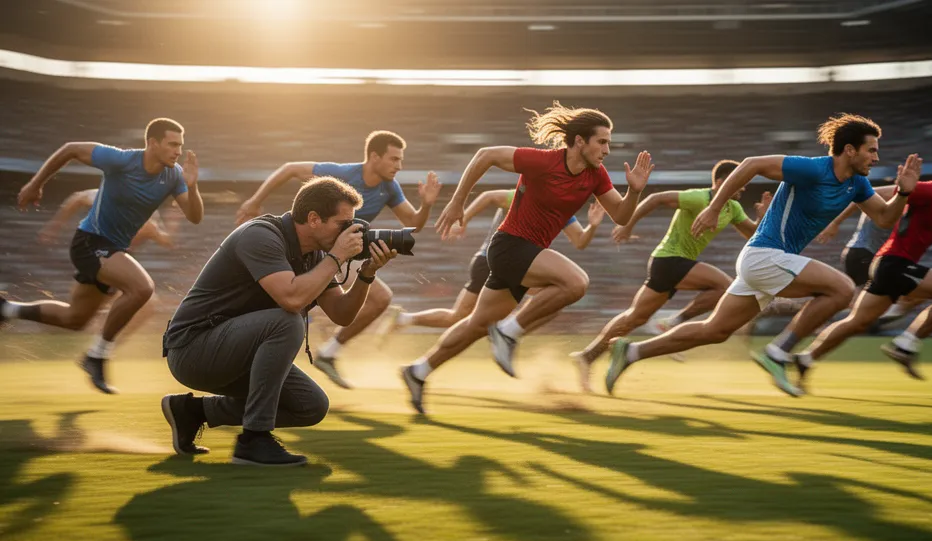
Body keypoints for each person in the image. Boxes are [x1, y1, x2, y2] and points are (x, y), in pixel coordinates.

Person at [603, 113, 921, 397]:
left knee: (714, 330)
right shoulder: (811, 169)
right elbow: (752, 164)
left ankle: (629, 352)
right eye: (871, 150)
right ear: (849, 150)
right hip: (764, 256)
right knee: (840, 289)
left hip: (770, 263)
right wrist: (714, 208)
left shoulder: (858, 184)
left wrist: (903, 193)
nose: (876, 157)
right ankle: (778, 352)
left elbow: (883, 218)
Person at [400, 101, 654, 414]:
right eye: (602, 142)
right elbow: (486, 155)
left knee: (475, 325)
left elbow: (620, 215)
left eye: (608, 143)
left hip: (527, 254)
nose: (607, 150)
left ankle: (418, 371)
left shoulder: (596, 176)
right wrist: (457, 203)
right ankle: (508, 332)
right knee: (576, 283)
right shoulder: (543, 161)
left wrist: (635, 192)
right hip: (509, 246)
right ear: (579, 141)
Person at [160, 176, 397, 466]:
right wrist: (336, 257)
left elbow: (342, 314)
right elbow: (292, 300)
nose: (350, 232)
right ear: (313, 219)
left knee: (311, 406)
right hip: (193, 350)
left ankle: (193, 412)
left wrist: (367, 274)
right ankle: (253, 440)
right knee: (288, 320)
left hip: (236, 354)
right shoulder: (261, 236)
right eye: (342, 224)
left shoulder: (316, 256)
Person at [2, 118, 203, 393]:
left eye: (180, 145)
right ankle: (97, 355)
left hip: (112, 252)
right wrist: (36, 184)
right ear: (152, 143)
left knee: (75, 319)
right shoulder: (120, 160)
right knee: (142, 288)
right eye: (172, 144)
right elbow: (70, 148)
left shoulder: (174, 175)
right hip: (89, 242)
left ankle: (7, 309)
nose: (178, 151)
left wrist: (192, 186)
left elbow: (194, 217)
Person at [235, 130, 441, 389]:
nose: (399, 166)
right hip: (319, 247)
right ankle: (317, 349)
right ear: (374, 156)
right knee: (369, 298)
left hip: (347, 250)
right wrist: (255, 201)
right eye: (394, 159)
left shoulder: (389, 187)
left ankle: (328, 349)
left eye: (401, 160)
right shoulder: (340, 174)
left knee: (379, 299)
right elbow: (289, 168)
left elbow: (413, 224)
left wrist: (427, 205)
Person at [795, 150, 932, 381]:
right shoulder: (926, 190)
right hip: (893, 263)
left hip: (890, 267)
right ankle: (905, 345)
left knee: (857, 322)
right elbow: (867, 194)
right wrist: (835, 222)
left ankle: (805, 358)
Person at [569, 160, 770, 391]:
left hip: (673, 264)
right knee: (724, 287)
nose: (743, 188)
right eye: (740, 182)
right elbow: (656, 199)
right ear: (722, 182)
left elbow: (751, 234)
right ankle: (673, 322)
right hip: (668, 260)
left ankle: (587, 356)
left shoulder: (732, 209)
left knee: (635, 318)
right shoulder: (699, 198)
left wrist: (761, 219)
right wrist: (628, 225)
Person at [378, 188, 606, 334]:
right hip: (497, 261)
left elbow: (580, 240)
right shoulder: (526, 195)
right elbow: (489, 196)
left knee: (458, 316)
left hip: (499, 263)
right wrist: (463, 220)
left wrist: (593, 226)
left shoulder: (564, 213)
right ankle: (507, 333)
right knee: (555, 295)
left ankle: (405, 319)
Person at [38, 188, 183, 341]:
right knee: (76, 318)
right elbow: (78, 197)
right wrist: (54, 226)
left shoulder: (151, 215)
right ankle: (100, 346)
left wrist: (174, 221)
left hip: (118, 263)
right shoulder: (117, 192)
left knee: (76, 319)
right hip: (100, 257)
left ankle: (101, 346)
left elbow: (166, 241)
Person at [816, 184, 920, 326]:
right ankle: (878, 318)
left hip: (865, 255)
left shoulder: (913, 208)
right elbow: (859, 196)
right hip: (864, 253)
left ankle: (822, 314)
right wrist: (835, 222)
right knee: (912, 290)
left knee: (857, 303)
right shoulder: (892, 194)